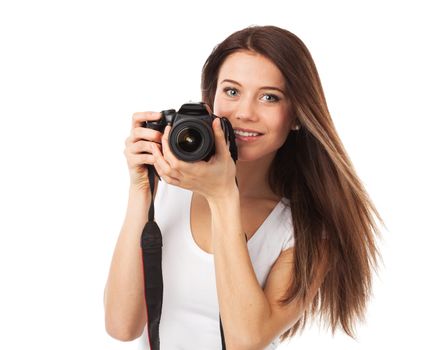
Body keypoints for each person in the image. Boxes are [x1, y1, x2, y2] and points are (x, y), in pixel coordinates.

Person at [103, 25, 383, 349]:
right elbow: (121, 326)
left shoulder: (305, 230)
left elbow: (245, 343)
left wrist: (222, 197)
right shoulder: (168, 185)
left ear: (296, 115)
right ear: (210, 99)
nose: (245, 113)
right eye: (232, 92)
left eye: (269, 97)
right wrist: (141, 188)